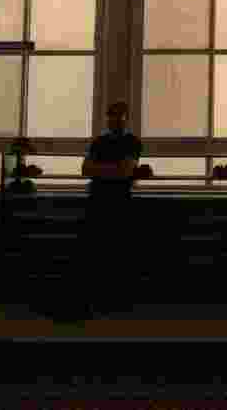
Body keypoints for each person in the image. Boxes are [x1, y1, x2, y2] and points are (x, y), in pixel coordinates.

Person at [76, 101, 151, 318]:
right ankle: (99, 302)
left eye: (119, 116)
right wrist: (115, 170)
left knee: (117, 254)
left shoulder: (132, 141)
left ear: (126, 118)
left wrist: (100, 170)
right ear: (107, 118)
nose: (115, 119)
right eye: (111, 116)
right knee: (98, 255)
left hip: (118, 204)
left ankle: (115, 302)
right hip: (99, 203)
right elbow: (85, 169)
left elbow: (124, 172)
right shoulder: (99, 141)